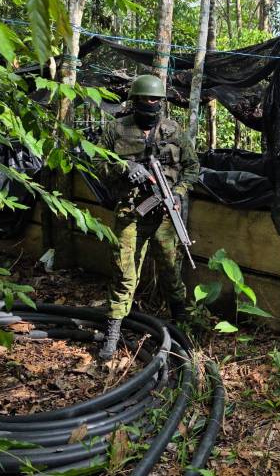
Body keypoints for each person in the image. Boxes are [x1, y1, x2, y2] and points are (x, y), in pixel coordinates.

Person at [98, 74, 199, 359]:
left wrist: (178, 193)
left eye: (155, 99)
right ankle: (113, 331)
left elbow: (192, 167)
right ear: (135, 101)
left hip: (166, 215)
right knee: (124, 272)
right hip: (131, 213)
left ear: (162, 102)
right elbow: (96, 162)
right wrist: (124, 169)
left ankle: (181, 324)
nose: (150, 103)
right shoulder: (116, 129)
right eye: (145, 99)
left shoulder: (173, 131)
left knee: (171, 271)